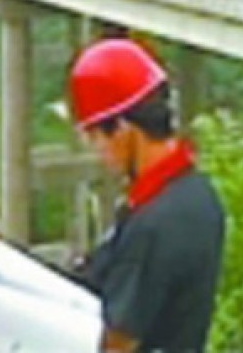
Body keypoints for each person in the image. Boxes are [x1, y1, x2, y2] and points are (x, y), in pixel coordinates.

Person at [68, 39, 225, 353]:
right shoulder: (199, 194)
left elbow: (117, 342)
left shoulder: (153, 225)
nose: (98, 153)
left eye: (96, 137)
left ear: (123, 129)